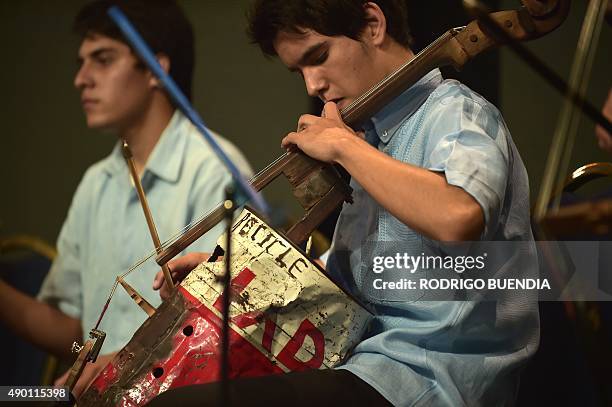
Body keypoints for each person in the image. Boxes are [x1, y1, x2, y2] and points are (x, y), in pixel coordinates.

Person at [151, 1, 538, 405]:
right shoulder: (368, 142)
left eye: (318, 57)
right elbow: (345, 286)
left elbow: (459, 217)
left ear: (372, 25)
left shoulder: (455, 111)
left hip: (431, 381)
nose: (312, 86)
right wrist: (242, 278)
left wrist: (341, 145)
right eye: (299, 71)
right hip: (365, 368)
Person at [0, 0, 252, 397]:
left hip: (178, 397)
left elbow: (214, 330)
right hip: (104, 394)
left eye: (102, 59)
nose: (80, 79)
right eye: (81, 63)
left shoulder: (213, 170)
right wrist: (87, 359)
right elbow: (72, 333)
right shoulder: (96, 182)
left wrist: (117, 364)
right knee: (14, 395)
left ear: (156, 68)